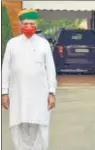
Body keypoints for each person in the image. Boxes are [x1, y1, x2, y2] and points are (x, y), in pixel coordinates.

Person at [1, 9, 57, 150]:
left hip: (40, 95)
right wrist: (4, 92)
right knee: (18, 127)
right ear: (20, 25)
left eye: (31, 24)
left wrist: (52, 92)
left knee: (40, 127)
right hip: (18, 94)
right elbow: (5, 70)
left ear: (36, 25)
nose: (28, 27)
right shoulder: (12, 44)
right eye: (25, 24)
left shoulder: (43, 44)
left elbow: (50, 70)